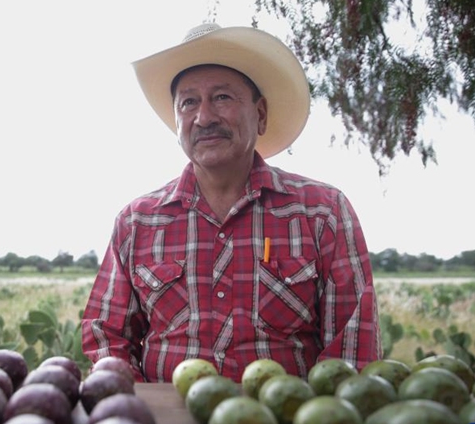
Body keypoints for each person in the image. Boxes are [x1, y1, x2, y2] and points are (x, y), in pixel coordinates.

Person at [81, 23, 381, 383]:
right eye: (188, 102)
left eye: (222, 97)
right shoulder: (137, 221)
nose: (204, 117)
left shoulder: (323, 213)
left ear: (261, 115)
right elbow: (106, 336)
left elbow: (352, 351)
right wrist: (143, 410)